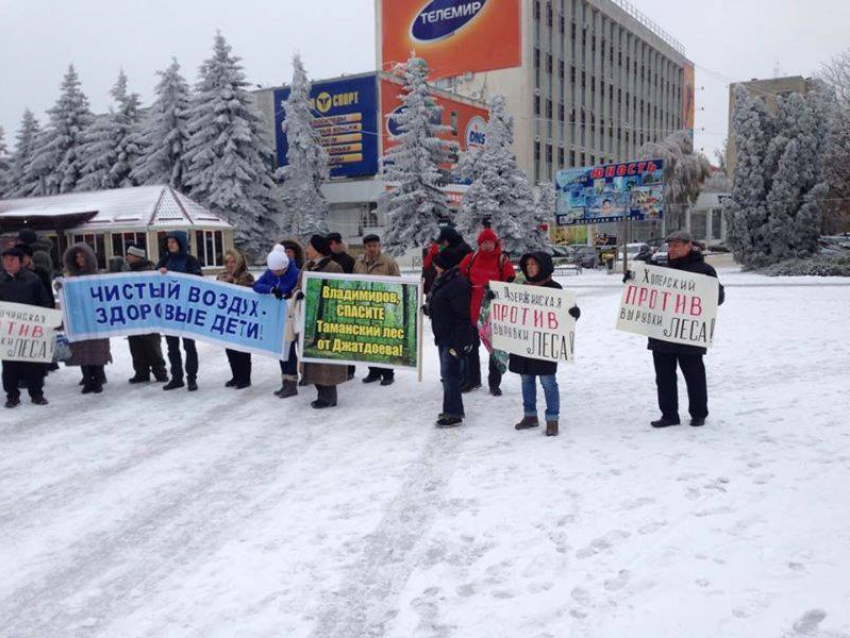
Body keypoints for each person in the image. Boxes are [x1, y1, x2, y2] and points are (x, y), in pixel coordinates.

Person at [626, 230, 725, 428]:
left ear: (689, 246)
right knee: (664, 378)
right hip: (661, 333)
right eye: (670, 246)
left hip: (688, 334)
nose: (672, 249)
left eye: (677, 245)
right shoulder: (659, 269)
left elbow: (718, 299)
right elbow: (643, 291)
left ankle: (698, 413)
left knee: (694, 376)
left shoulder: (703, 270)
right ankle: (669, 415)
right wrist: (632, 279)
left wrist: (714, 290)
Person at [509, 252, 581, 437]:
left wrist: (573, 313)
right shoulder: (520, 288)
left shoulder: (555, 288)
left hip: (545, 344)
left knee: (547, 381)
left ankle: (552, 419)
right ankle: (530, 415)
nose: (530, 267)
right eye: (528, 264)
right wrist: (494, 297)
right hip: (524, 342)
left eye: (534, 264)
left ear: (543, 266)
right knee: (526, 379)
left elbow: (564, 315)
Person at [459, 227, 516, 395]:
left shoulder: (502, 260)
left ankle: (494, 383)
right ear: (479, 244)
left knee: (495, 348)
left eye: (490, 242)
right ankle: (472, 380)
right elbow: (459, 277)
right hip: (472, 308)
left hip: (493, 312)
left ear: (495, 243)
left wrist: (496, 291)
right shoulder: (471, 258)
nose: (487, 245)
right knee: (471, 346)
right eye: (484, 242)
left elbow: (511, 281)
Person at [423, 248, 476, 427]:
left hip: (452, 339)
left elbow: (462, 317)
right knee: (448, 375)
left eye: (436, 265)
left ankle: (453, 413)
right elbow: (441, 304)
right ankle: (452, 409)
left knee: (450, 375)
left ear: (444, 266)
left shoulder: (457, 284)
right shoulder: (445, 281)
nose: (434, 268)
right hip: (444, 336)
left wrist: (459, 344)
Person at [296, 235, 349, 408]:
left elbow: (340, 292)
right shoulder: (307, 266)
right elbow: (298, 286)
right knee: (312, 360)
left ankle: (328, 396)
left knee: (326, 361)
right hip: (309, 320)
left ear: (318, 249)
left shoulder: (333, 267)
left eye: (309, 247)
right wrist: (299, 293)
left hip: (326, 321)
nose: (307, 250)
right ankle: (321, 393)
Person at [0, 247, 54, 408]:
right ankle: (12, 395)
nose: (8, 263)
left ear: (20, 262)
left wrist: (45, 321)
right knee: (10, 365)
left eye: (12, 260)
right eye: (5, 260)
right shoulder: (1, 280)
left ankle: (37, 393)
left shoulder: (33, 279)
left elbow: (44, 301)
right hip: (8, 330)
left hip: (31, 329)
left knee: (33, 364)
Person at [62, 243, 113, 394]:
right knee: (81, 350)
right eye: (76, 257)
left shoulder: (98, 277)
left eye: (82, 256)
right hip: (79, 321)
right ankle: (87, 379)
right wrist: (60, 288)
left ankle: (98, 380)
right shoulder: (70, 280)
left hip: (96, 320)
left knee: (96, 349)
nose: (79, 260)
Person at [156, 231, 203, 391]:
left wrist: (176, 276)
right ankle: (177, 377)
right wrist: (160, 274)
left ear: (181, 243)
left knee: (189, 346)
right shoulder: (164, 260)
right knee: (172, 347)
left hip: (187, 311)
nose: (170, 245)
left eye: (173, 242)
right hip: (170, 312)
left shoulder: (191, 261)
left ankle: (191, 378)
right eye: (168, 242)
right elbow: (153, 280)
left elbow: (197, 280)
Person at [354, 234, 401, 387]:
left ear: (379, 246)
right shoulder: (359, 263)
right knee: (369, 340)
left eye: (375, 245)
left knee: (383, 340)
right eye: (369, 246)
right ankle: (373, 371)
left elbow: (398, 282)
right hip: (365, 308)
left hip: (383, 307)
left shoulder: (388, 262)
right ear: (365, 247)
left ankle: (388, 373)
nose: (372, 248)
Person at [254, 244, 300, 397]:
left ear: (285, 265)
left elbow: (298, 290)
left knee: (289, 352)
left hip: (291, 318)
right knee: (281, 352)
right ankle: (285, 382)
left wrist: (288, 292)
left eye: (278, 271)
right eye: (273, 271)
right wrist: (271, 289)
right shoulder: (270, 273)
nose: (275, 273)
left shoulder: (296, 273)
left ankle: (292, 383)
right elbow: (257, 285)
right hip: (276, 319)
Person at [125, 245, 168, 384]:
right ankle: (141, 372)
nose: (127, 257)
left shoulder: (150, 271)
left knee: (151, 344)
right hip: (133, 314)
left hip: (149, 315)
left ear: (137, 256)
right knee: (135, 344)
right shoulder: (125, 271)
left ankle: (160, 372)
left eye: (130, 254)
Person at [217, 248, 255, 389]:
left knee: (243, 350)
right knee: (230, 349)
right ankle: (235, 376)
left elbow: (249, 295)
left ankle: (245, 378)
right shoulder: (221, 276)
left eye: (233, 262)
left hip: (242, 319)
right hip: (227, 319)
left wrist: (234, 282)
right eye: (227, 262)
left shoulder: (246, 276)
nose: (230, 265)